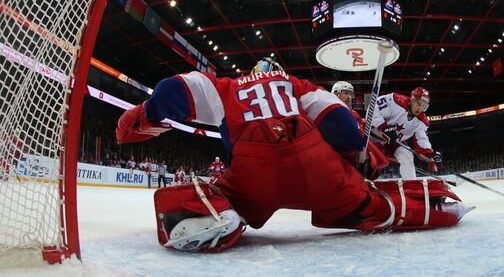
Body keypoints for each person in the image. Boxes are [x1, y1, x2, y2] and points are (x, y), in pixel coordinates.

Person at [115, 57, 471, 253]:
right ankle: (433, 206)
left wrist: (141, 118)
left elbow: (175, 90)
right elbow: (339, 121)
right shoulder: (297, 85)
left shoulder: (226, 87)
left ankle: (219, 216)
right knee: (370, 203)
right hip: (315, 165)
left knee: (218, 193)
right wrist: (359, 159)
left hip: (252, 173)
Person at [370, 87, 438, 180]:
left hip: (395, 143)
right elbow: (373, 107)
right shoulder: (395, 100)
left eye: (424, 106)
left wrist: (429, 155)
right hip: (372, 138)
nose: (420, 109)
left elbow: (422, 139)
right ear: (412, 100)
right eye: (418, 104)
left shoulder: (422, 121)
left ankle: (412, 186)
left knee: (407, 155)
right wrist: (383, 127)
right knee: (369, 161)